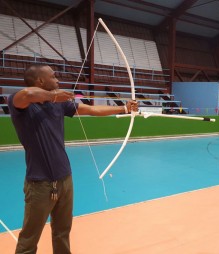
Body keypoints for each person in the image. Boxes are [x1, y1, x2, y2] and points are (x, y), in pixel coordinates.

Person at [8, 64, 138, 254]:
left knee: (62, 232)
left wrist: (124, 108)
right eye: (54, 76)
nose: (58, 80)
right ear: (41, 81)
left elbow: (90, 110)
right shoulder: (19, 104)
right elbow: (27, 94)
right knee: (29, 239)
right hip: (39, 184)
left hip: (65, 179)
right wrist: (53, 95)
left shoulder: (59, 104)